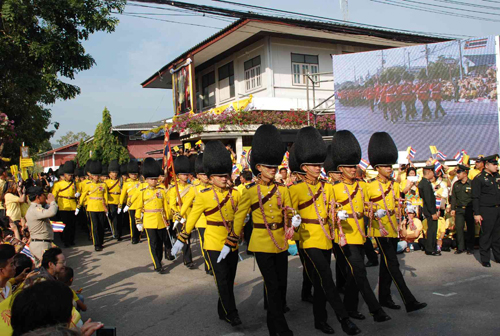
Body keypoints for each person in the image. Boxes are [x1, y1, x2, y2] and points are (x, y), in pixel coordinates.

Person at [289, 127, 360, 335]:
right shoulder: (295, 189)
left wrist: (339, 214)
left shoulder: (327, 187)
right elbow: (289, 215)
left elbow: (333, 207)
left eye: (319, 163)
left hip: (326, 239)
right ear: (304, 166)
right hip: (308, 239)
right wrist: (293, 223)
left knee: (321, 283)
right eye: (313, 164)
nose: (318, 167)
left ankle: (320, 320)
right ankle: (344, 319)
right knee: (326, 277)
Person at [232, 125, 295, 336]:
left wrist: (294, 220)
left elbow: (288, 212)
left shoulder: (282, 190)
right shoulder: (250, 191)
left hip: (280, 241)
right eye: (269, 167)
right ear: (258, 167)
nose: (273, 170)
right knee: (273, 285)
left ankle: (274, 323)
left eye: (275, 167)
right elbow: (240, 216)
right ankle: (279, 327)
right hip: (260, 241)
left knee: (281, 285)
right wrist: (233, 238)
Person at [173, 141, 242, 327]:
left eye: (226, 175)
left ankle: (223, 310)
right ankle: (232, 313)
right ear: (211, 178)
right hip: (213, 244)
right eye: (220, 176)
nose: (224, 179)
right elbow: (193, 218)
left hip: (232, 243)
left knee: (229, 280)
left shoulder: (235, 194)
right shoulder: (203, 195)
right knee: (221, 279)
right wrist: (182, 238)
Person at [331, 130, 390, 324]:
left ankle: (350, 308)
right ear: (340, 168)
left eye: (353, 166)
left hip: (361, 235)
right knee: (359, 272)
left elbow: (367, 205)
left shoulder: (363, 186)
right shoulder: (334, 189)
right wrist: (338, 214)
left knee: (352, 275)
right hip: (345, 236)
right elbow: (328, 211)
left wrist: (374, 211)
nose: (352, 169)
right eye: (348, 166)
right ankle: (376, 310)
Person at [366, 132, 427, 314]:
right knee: (393, 264)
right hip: (380, 230)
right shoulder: (369, 185)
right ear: (377, 167)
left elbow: (400, 201)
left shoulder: (394, 184)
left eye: (390, 165)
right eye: (385, 166)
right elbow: (362, 208)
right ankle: (409, 301)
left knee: (387, 267)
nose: (389, 168)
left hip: (393, 228)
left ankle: (385, 298)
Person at [134, 158, 169, 273]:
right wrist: (138, 221)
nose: (154, 181)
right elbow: (138, 207)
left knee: (160, 244)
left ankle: (159, 260)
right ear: (145, 179)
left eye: (155, 179)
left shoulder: (162, 189)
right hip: (149, 221)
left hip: (161, 220)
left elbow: (165, 207)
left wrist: (167, 220)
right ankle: (157, 265)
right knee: (153, 243)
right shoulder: (142, 191)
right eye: (151, 179)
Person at [180, 154, 210, 273]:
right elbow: (186, 204)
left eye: (206, 173)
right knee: (205, 244)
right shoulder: (194, 188)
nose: (206, 176)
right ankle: (208, 266)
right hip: (201, 220)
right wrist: (179, 215)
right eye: (203, 174)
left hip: (214, 219)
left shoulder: (214, 186)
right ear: (198, 175)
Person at [472, 155, 500, 267]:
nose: (496, 167)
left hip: (498, 208)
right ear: (487, 165)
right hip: (486, 210)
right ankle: (485, 259)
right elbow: (475, 197)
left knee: (498, 235)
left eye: (496, 164)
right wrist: (477, 213)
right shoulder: (479, 178)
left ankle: (498, 256)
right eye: (494, 164)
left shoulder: (497, 176)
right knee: (486, 235)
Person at [77, 161, 108, 252]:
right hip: (91, 207)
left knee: (101, 226)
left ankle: (101, 242)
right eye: (95, 175)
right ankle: (96, 244)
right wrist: (79, 206)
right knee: (95, 226)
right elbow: (83, 195)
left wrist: (106, 206)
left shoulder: (103, 185)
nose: (97, 177)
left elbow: (105, 195)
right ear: (91, 176)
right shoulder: (88, 185)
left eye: (98, 175)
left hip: (101, 207)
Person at [170, 156, 194, 269]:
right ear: (178, 175)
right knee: (184, 238)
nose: (185, 176)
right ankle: (188, 260)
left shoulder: (191, 187)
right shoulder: (173, 188)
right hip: (179, 217)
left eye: (186, 174)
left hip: (189, 215)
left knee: (188, 237)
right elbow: (171, 205)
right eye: (183, 174)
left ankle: (185, 257)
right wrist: (178, 216)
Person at [25, 186, 58, 264]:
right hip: (41, 244)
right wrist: (53, 202)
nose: (45, 197)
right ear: (38, 197)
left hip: (39, 243)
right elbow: (52, 212)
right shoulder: (35, 209)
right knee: (49, 268)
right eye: (43, 195)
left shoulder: (34, 208)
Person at [51, 161, 78, 247]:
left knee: (72, 225)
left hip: (73, 206)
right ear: (64, 175)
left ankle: (71, 240)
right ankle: (66, 241)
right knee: (65, 225)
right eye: (68, 175)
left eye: (71, 175)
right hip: (63, 206)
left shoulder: (75, 184)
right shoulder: (58, 184)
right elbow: (54, 195)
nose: (70, 176)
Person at [450, 164, 475, 255]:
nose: (457, 175)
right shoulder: (456, 184)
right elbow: (453, 198)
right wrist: (453, 208)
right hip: (459, 209)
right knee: (459, 228)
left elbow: (475, 198)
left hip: (469, 209)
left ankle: (470, 247)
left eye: (459, 173)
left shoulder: (472, 183)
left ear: (465, 174)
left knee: (470, 228)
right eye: (457, 173)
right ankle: (460, 247)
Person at [418, 165, 440, 256]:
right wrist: (433, 212)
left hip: (427, 209)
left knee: (431, 228)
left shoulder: (423, 182)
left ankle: (431, 247)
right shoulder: (426, 184)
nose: (433, 174)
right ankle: (430, 249)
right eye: (432, 172)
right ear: (429, 172)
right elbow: (428, 199)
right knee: (432, 229)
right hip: (429, 210)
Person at [118, 161, 142, 244]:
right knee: (132, 221)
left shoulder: (140, 182)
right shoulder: (126, 183)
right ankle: (133, 237)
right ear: (129, 174)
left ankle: (138, 236)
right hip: (130, 205)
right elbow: (122, 195)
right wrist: (120, 205)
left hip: (139, 204)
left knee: (139, 220)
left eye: (135, 174)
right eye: (132, 174)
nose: (134, 176)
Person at [105, 160, 122, 241]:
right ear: (109, 173)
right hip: (111, 201)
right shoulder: (106, 182)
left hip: (119, 201)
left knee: (119, 218)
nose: (114, 174)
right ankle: (115, 233)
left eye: (115, 172)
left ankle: (119, 233)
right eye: (113, 172)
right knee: (114, 218)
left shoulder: (120, 181)